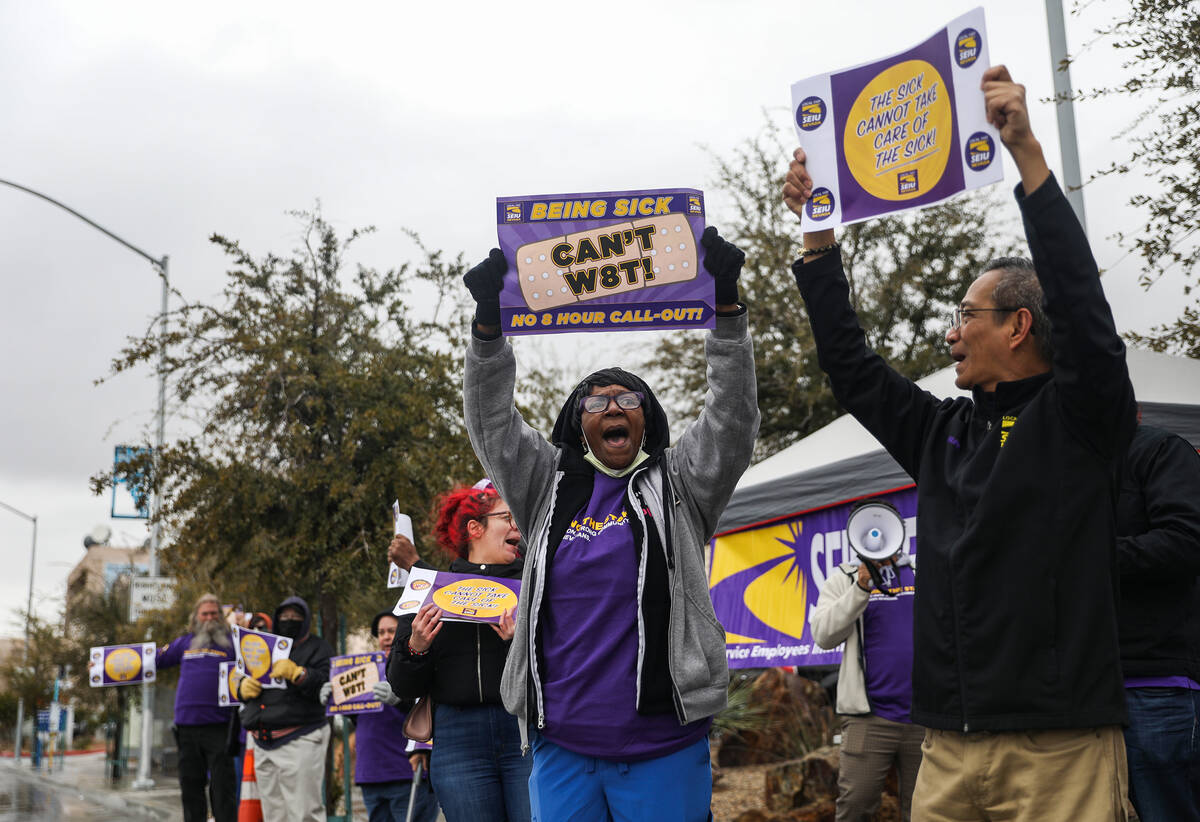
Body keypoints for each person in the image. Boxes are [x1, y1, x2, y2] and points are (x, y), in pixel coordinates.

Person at [781, 65, 1136, 821]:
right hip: (944, 746)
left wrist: (1029, 159)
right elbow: (853, 369)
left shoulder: (1082, 417)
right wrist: (818, 245)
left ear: (1018, 325)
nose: (950, 332)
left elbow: (1084, 312)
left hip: (1060, 749)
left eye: (966, 314)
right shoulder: (943, 430)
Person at [460, 226, 759, 821]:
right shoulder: (546, 484)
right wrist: (488, 330)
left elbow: (731, 419)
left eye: (629, 400)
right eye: (597, 402)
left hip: (663, 747)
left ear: (647, 420)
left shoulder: (682, 483)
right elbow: (492, 423)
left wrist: (727, 311)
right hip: (562, 746)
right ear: (579, 423)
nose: (614, 408)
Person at [387, 485, 528, 822]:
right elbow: (403, 687)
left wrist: (515, 643)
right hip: (457, 740)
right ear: (475, 528)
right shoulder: (430, 591)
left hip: (523, 734)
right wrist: (416, 647)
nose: (516, 528)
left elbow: (555, 670)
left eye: (518, 520)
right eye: (507, 517)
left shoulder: (533, 584)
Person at [1116, 420, 1200, 820]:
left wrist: (1082, 552)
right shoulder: (1061, 461)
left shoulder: (1160, 449)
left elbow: (1186, 541)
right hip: (1082, 693)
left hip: (1156, 687)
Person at [810, 554, 923, 821]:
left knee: (924, 811)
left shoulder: (923, 571)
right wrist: (860, 587)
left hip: (924, 718)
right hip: (868, 719)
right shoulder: (844, 579)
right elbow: (823, 636)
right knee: (855, 808)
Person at [321, 610, 440, 822]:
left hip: (406, 772)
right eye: (381, 632)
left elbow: (427, 712)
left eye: (392, 631)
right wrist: (335, 697)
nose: (385, 636)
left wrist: (401, 698)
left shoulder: (417, 666)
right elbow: (358, 719)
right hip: (370, 774)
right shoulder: (364, 670)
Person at [236, 596, 332, 822]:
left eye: (296, 616)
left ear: (306, 620)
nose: (290, 620)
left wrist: (299, 674)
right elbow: (243, 675)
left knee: (304, 813)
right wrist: (242, 688)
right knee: (274, 815)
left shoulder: (318, 647)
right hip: (263, 741)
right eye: (285, 616)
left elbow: (329, 684)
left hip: (300, 737)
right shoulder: (267, 646)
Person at [156, 593, 237, 822]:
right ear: (196, 618)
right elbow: (152, 659)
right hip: (186, 727)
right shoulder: (184, 643)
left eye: (214, 613)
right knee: (191, 787)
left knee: (223, 788)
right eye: (205, 613)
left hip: (220, 726)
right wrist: (103, 665)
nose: (209, 617)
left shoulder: (233, 644)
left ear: (221, 617)